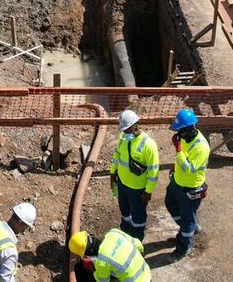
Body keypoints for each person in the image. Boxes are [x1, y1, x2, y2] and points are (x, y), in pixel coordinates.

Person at [164, 108, 209, 262]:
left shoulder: (202, 147)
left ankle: (183, 248)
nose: (177, 135)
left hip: (189, 187)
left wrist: (178, 150)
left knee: (188, 219)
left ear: (189, 129)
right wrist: (175, 166)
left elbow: (189, 169)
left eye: (179, 131)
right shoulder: (185, 137)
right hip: (177, 181)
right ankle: (190, 228)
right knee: (169, 203)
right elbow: (182, 159)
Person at [109, 110, 159, 241]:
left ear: (135, 125)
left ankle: (137, 240)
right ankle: (125, 231)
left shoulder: (149, 145)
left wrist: (148, 192)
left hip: (137, 190)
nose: (124, 132)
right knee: (124, 211)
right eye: (123, 130)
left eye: (126, 129)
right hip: (122, 184)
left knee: (138, 217)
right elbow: (117, 156)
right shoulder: (122, 139)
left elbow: (154, 172)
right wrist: (112, 173)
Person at [69, 229, 152, 282]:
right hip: (147, 273)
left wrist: (94, 270)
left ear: (88, 252)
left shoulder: (102, 262)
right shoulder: (114, 233)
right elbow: (138, 244)